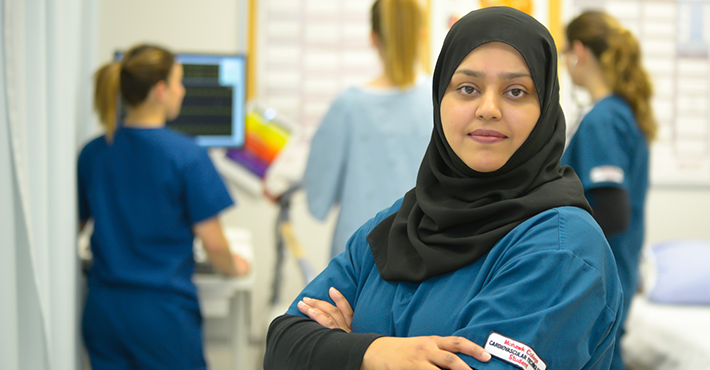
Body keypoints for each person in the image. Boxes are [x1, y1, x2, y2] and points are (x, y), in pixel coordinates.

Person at [265, 7, 623, 370]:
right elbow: (282, 346)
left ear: (545, 107)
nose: (488, 108)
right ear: (440, 100)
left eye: (516, 92)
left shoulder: (561, 249)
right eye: (467, 88)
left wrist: (343, 350)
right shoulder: (395, 224)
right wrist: (379, 354)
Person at [78, 44, 250, 370]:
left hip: (104, 310)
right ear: (160, 90)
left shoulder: (93, 152)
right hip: (161, 315)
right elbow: (214, 244)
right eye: (178, 82)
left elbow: (77, 226)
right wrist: (235, 266)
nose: (181, 91)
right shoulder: (186, 156)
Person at [559, 10, 656, 370]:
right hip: (612, 269)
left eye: (565, 54)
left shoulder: (604, 119)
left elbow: (613, 213)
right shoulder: (619, 111)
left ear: (579, 52)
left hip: (601, 274)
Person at [302, 0, 433, 259]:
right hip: (424, 253)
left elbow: (317, 199)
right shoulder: (443, 100)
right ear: (422, 34)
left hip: (357, 258)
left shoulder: (348, 106)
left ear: (373, 38)